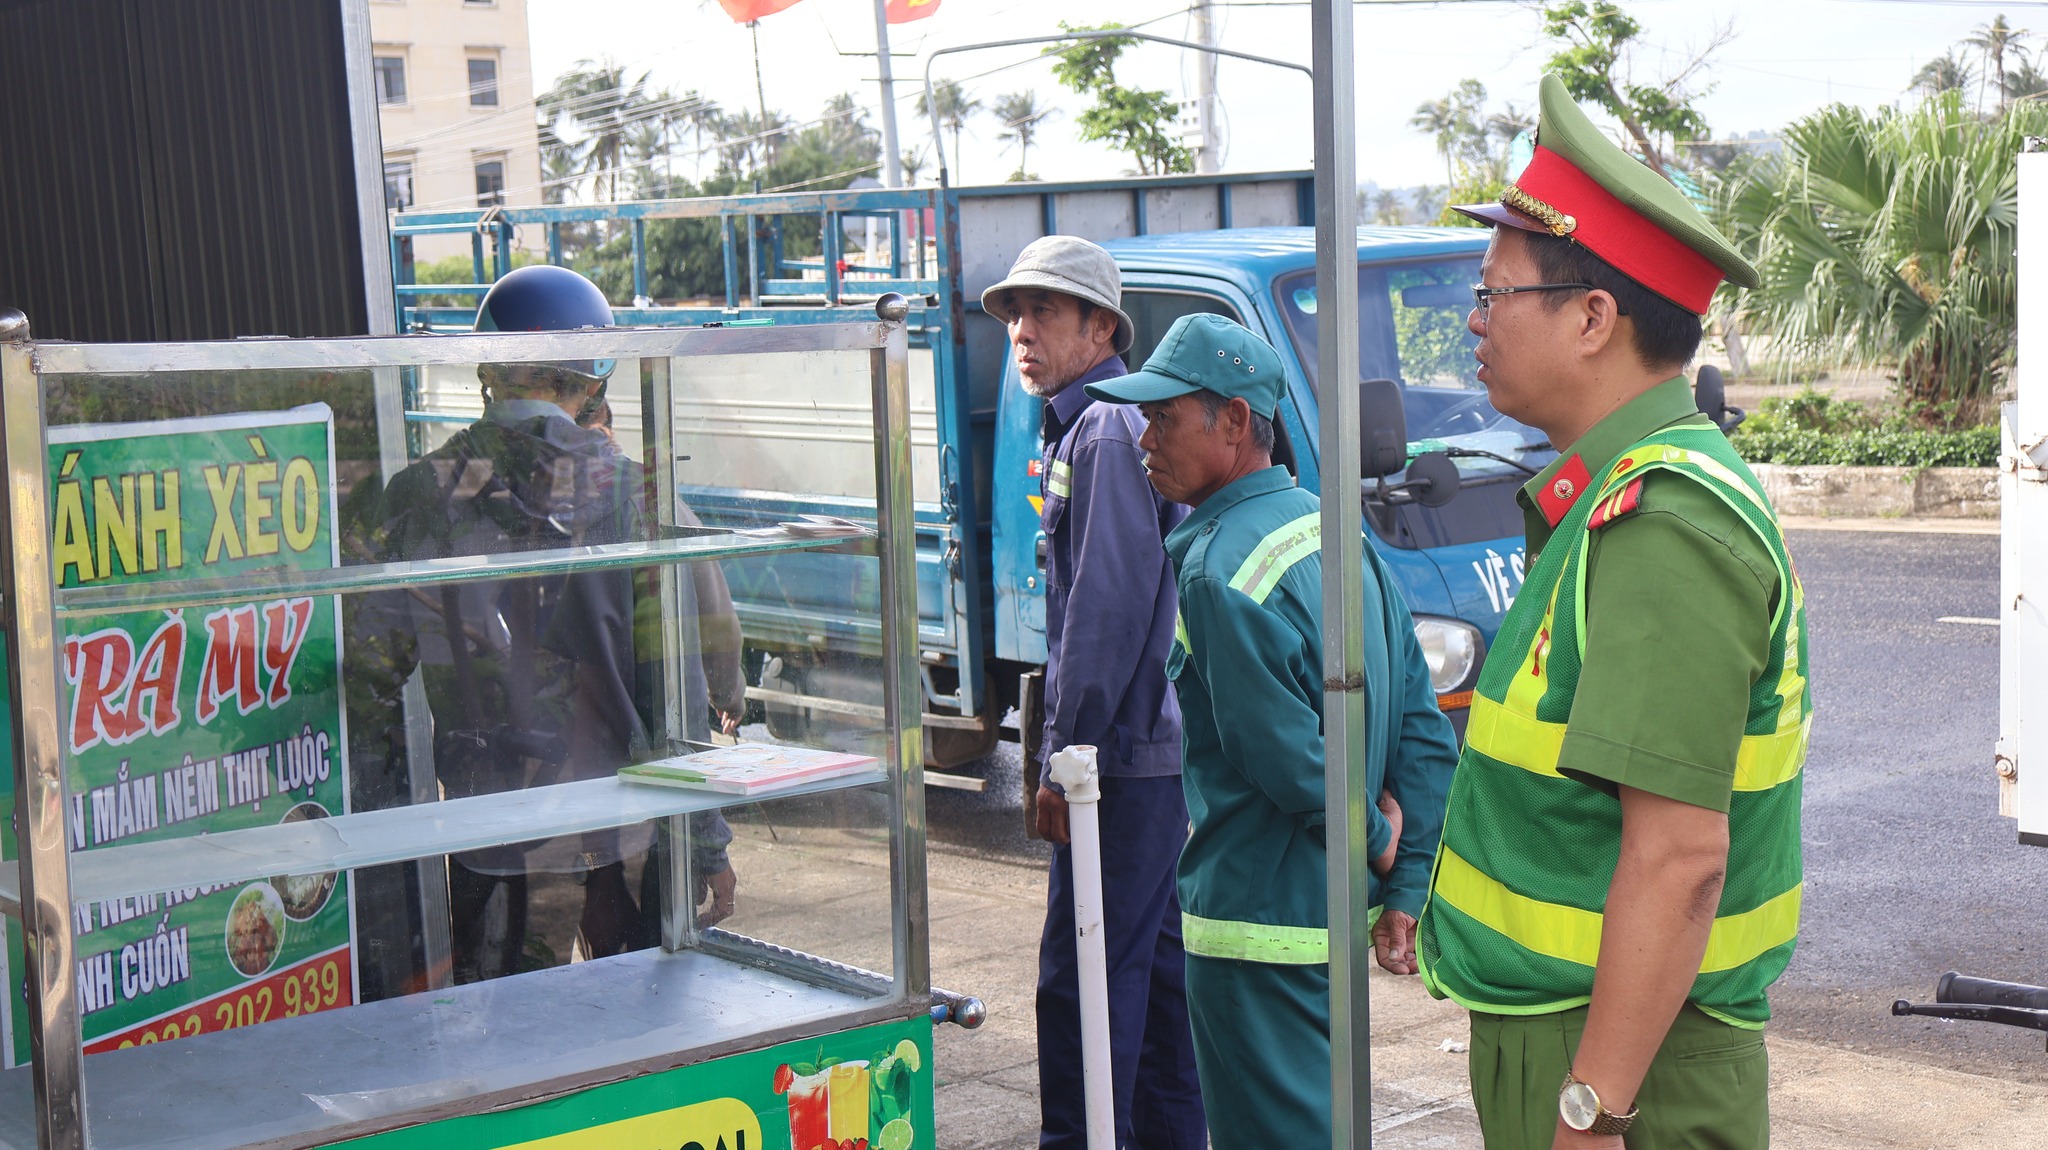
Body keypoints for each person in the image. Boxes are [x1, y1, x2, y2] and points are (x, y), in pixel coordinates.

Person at [1413, 74, 1811, 1150]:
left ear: (1592, 317)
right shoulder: (1603, 497)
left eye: (1493, 294)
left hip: (1624, 1064)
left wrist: (1590, 1110)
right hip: (1580, 1038)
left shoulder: (1661, 519)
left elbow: (1679, 857)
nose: (1473, 320)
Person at [1085, 312, 1458, 1149]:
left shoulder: (1218, 568)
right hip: (1327, 925)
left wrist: (1382, 845)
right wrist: (1404, 886)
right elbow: (1420, 728)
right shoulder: (1336, 533)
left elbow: (1287, 760)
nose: (1146, 437)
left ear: (1237, 423)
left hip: (1255, 932)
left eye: (1165, 417)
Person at [348, 264, 737, 982]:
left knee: (502, 1046)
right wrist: (706, 846)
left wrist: (380, 849)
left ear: (487, 374)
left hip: (482, 838)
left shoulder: (417, 494)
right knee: (635, 1043)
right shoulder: (633, 493)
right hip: (619, 834)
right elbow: (674, 693)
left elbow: (368, 681)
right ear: (589, 382)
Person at [980, 235, 1208, 1149]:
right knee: (1151, 984)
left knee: (1082, 988)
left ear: (1101, 327)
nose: (1023, 333)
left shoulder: (1106, 429)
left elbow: (1105, 614)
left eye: (1044, 313)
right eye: (1015, 317)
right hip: (1139, 759)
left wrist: (1059, 761)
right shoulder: (1093, 426)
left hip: (1113, 765)